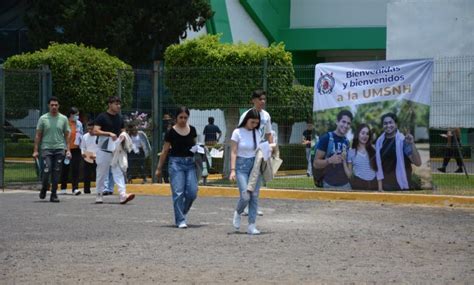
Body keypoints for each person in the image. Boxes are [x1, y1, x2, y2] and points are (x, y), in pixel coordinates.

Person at [155, 106, 198, 228]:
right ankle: (180, 220)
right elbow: (164, 151)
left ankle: (181, 212)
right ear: (176, 118)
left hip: (190, 163)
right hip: (176, 164)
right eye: (181, 117)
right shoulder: (171, 132)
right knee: (178, 192)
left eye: (185, 117)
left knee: (192, 193)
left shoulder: (193, 130)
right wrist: (159, 168)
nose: (183, 120)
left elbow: (195, 145)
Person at [93, 96, 135, 204]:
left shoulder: (119, 118)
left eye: (119, 104)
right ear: (110, 104)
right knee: (102, 172)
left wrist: (123, 136)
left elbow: (122, 130)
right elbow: (95, 131)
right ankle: (99, 194)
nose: (118, 106)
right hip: (103, 149)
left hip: (116, 149)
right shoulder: (102, 117)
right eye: (116, 104)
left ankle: (122, 195)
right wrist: (108, 133)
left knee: (118, 171)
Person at [239, 90, 273, 216]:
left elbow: (269, 133)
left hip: (260, 151)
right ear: (253, 100)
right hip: (248, 153)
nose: (262, 102)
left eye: (264, 99)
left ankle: (253, 207)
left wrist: (271, 149)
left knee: (257, 181)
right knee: (248, 180)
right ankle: (245, 207)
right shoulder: (246, 115)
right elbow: (240, 133)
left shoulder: (266, 116)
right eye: (260, 99)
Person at [33, 96, 71, 202]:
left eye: (56, 105)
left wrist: (68, 149)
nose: (54, 107)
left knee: (56, 171)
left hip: (59, 148)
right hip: (46, 148)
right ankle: (45, 187)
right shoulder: (43, 118)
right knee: (47, 169)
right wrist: (35, 150)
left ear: (58, 106)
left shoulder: (63, 118)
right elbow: (38, 135)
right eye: (52, 105)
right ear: (48, 106)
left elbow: (67, 135)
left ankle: (54, 194)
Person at [230, 108, 262, 235]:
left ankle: (251, 225)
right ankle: (238, 212)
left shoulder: (257, 132)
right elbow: (233, 151)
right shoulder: (237, 132)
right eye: (252, 122)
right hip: (241, 166)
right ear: (246, 120)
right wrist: (232, 170)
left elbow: (260, 149)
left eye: (256, 123)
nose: (254, 125)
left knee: (254, 196)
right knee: (245, 195)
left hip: (255, 166)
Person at [375, 113, 422, 191]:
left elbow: (418, 163)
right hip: (386, 186)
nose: (388, 125)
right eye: (385, 123)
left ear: (396, 124)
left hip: (403, 185)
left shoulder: (403, 141)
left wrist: (412, 144)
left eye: (390, 122)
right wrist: (380, 188)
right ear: (383, 126)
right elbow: (378, 167)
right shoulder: (379, 142)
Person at [313, 110, 352, 190]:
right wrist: (329, 160)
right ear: (337, 122)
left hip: (346, 185)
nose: (345, 125)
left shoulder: (347, 142)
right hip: (329, 185)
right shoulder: (326, 138)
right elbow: (316, 163)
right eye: (343, 122)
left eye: (348, 123)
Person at [342, 124, 378, 190]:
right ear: (357, 134)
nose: (365, 136)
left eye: (367, 134)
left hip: (374, 184)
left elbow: (378, 170)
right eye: (362, 133)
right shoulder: (351, 152)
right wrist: (344, 161)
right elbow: (349, 175)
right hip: (359, 184)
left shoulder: (374, 149)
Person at [60, 107, 83, 195]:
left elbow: (80, 134)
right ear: (71, 114)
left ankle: (75, 188)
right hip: (66, 149)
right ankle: (63, 187)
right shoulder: (65, 123)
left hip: (76, 148)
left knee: (75, 168)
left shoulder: (79, 124)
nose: (77, 116)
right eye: (76, 114)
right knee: (65, 168)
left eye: (78, 115)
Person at [80, 121, 98, 194]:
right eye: (88, 129)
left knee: (97, 174)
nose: (90, 131)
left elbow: (100, 148)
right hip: (87, 157)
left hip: (96, 157)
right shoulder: (85, 136)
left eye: (91, 129)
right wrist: (83, 153)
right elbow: (82, 147)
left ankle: (99, 190)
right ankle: (86, 190)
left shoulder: (98, 136)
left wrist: (96, 155)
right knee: (86, 174)